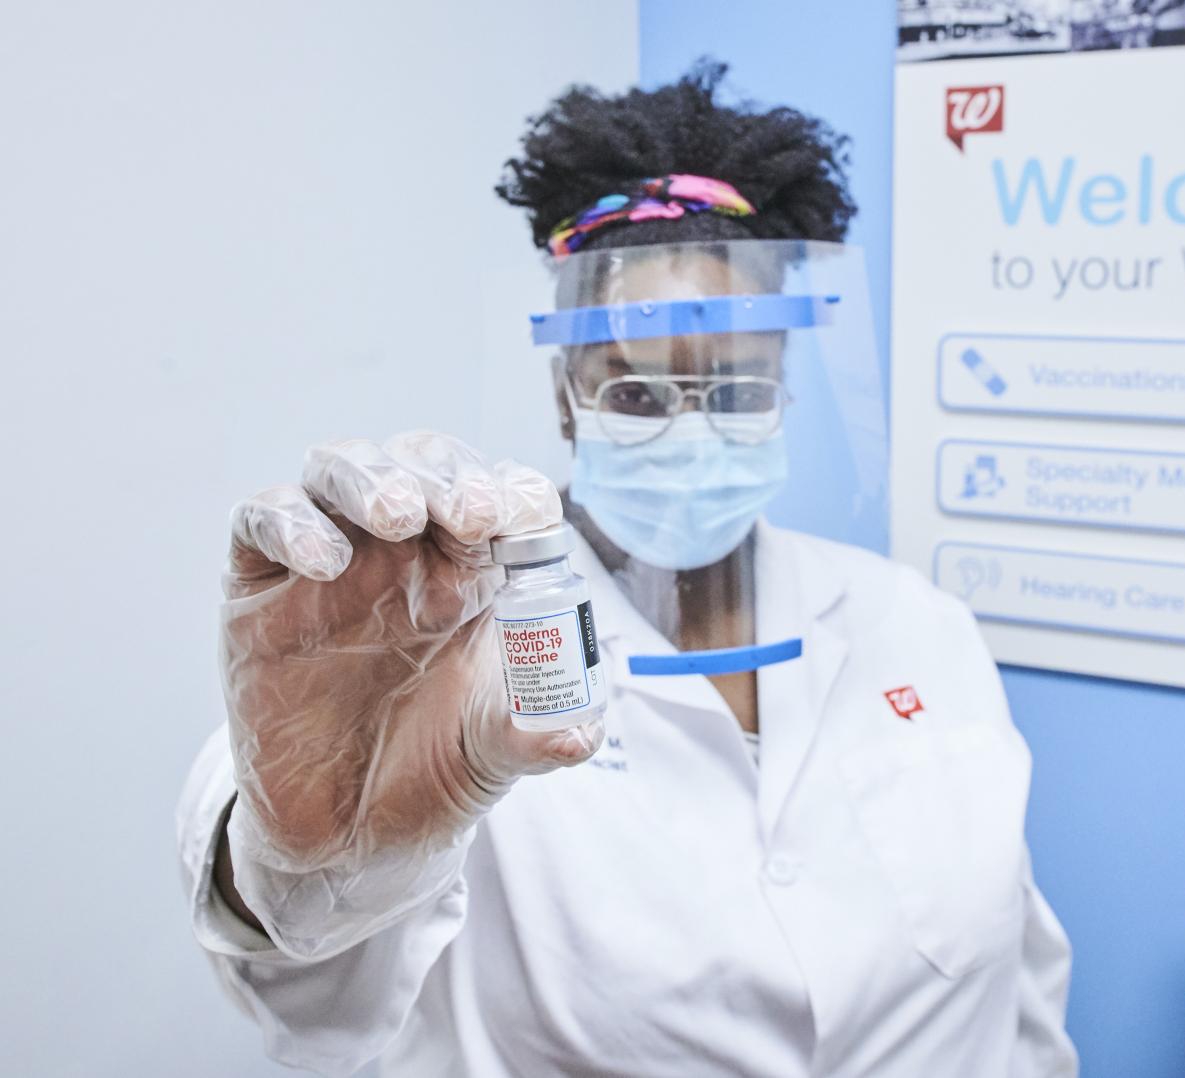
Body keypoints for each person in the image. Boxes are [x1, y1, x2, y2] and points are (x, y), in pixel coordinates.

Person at [177, 64, 1078, 1077]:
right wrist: (307, 860)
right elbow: (312, 987)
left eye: (736, 387)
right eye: (637, 395)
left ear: (786, 388)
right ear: (567, 397)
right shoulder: (441, 651)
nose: (691, 426)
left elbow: (1022, 991)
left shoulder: (915, 624)